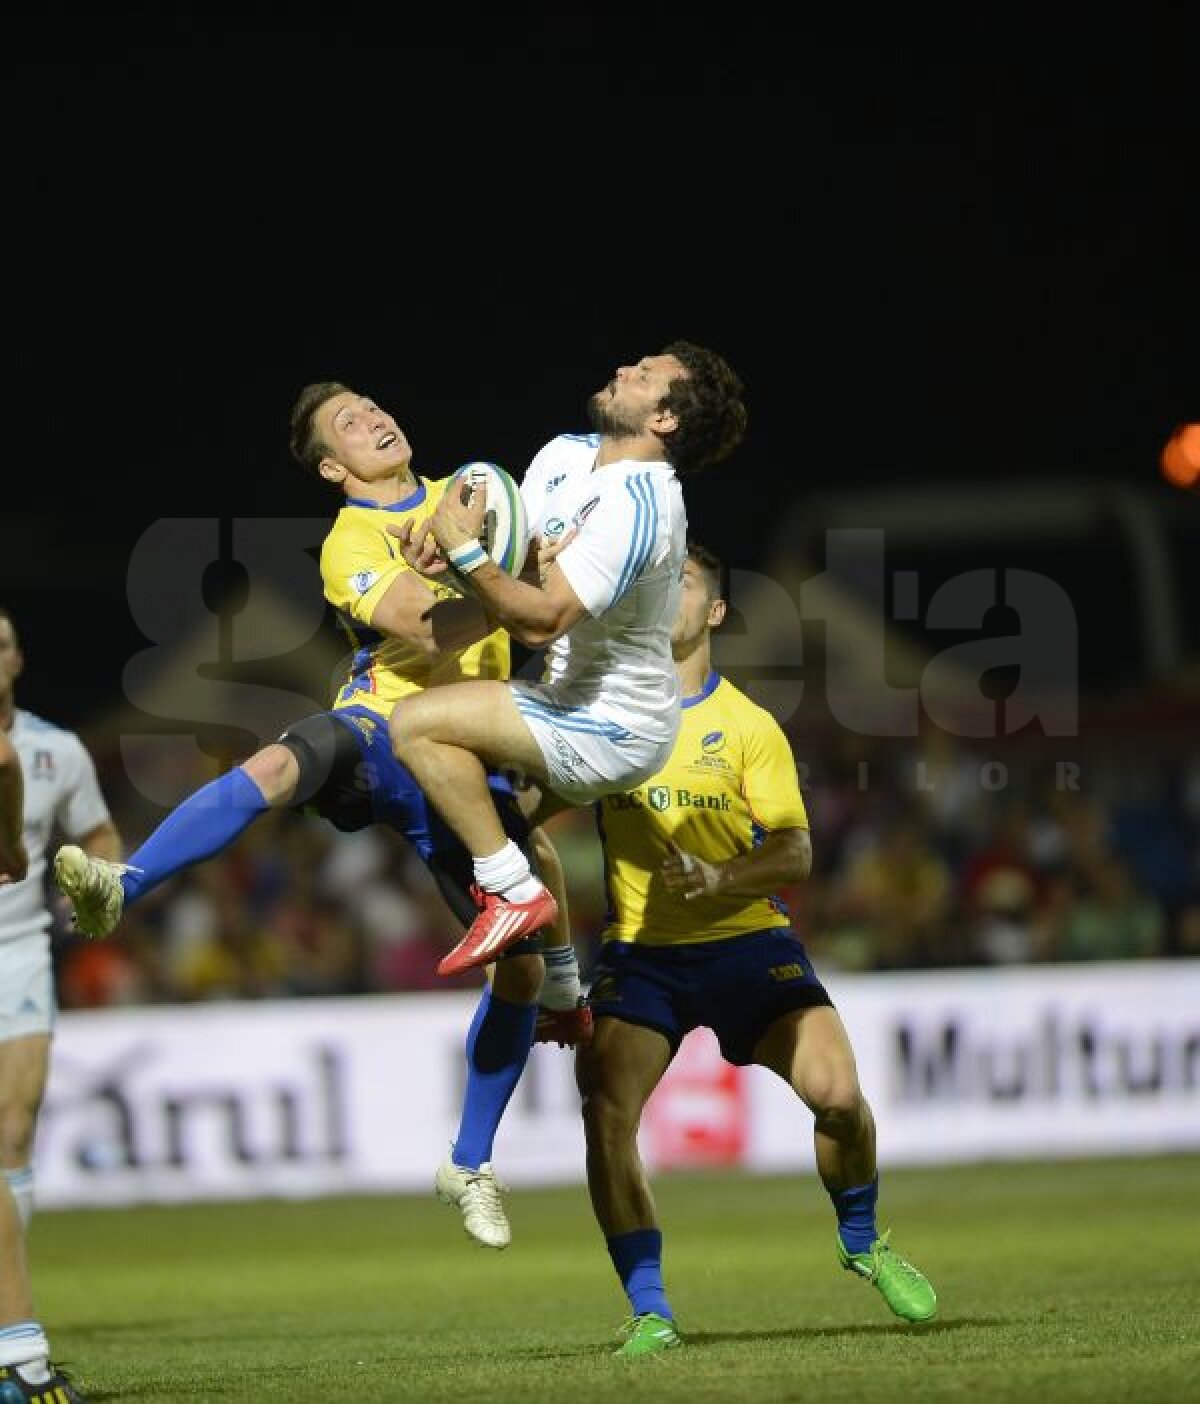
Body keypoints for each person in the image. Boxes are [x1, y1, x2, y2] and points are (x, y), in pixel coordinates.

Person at [53, 384, 586, 1253]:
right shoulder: (349, 542)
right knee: (275, 761)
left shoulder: (471, 489)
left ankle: (470, 1162)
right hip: (384, 725)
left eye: (373, 405)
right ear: (334, 469)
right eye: (348, 424)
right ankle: (126, 880)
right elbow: (424, 629)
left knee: (519, 974)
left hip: (466, 757)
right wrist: (499, 574)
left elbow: (547, 566)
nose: (373, 418)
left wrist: (524, 555)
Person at [572, 542, 937, 1358]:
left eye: (684, 584)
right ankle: (651, 1308)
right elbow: (533, 797)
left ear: (715, 612)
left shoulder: (748, 727)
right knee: (605, 1118)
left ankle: (862, 1240)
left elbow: (797, 852)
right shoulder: (602, 715)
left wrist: (723, 873)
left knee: (839, 1096)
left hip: (748, 944)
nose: (665, 595)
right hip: (641, 957)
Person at [389, 342, 748, 978]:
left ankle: (514, 896)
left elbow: (540, 620)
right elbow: (515, 567)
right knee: (504, 818)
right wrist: (454, 561)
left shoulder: (643, 502)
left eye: (642, 377)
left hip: (617, 725)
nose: (621, 370)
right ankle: (559, 988)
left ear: (664, 419)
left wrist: (468, 556)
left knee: (415, 724)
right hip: (571, 695)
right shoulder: (566, 454)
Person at [0, 608, 123, 1402]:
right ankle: (17, 1348)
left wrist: (98, 878)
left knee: (12, 1130)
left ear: (18, 658)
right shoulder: (11, 759)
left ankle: (14, 1340)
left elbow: (102, 836)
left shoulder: (56, 750)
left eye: (1, 642)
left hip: (15, 950)